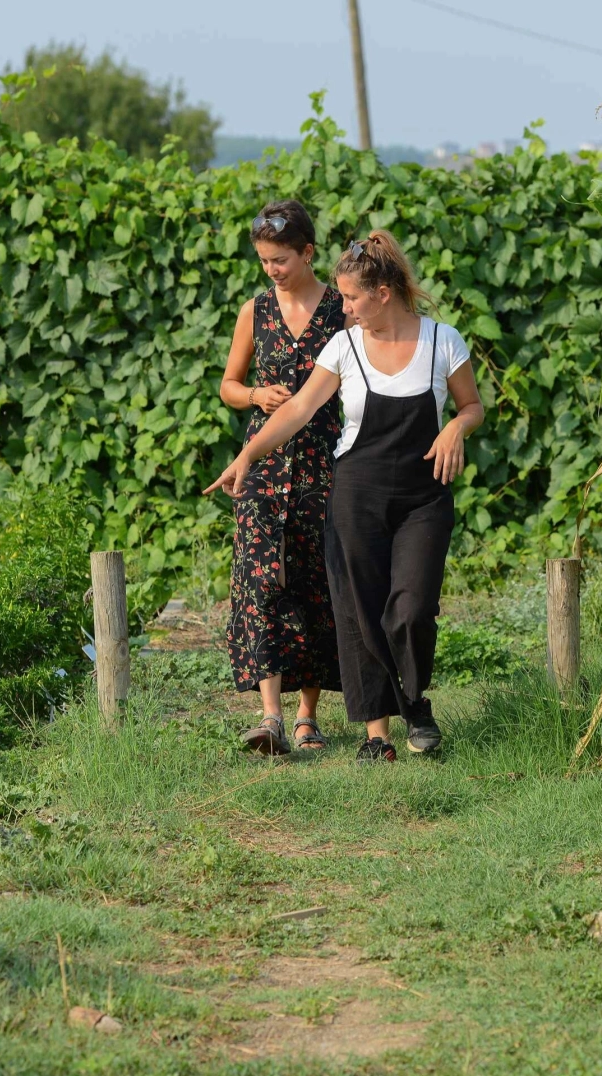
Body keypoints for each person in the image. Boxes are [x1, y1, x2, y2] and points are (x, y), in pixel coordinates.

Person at [206, 230, 483, 761]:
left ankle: (414, 699)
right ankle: (377, 736)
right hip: (356, 494)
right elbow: (296, 410)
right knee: (359, 611)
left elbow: (472, 406)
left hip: (424, 499)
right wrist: (248, 455)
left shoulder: (442, 340)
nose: (344, 307)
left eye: (352, 298)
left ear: (382, 293)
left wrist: (456, 429)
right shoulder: (345, 344)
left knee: (413, 609)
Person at [216, 200, 346, 755]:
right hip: (263, 467)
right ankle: (269, 716)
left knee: (317, 583)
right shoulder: (255, 311)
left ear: (308, 253)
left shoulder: (344, 309)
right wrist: (254, 395)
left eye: (281, 259)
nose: (272, 269)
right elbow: (228, 384)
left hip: (325, 463)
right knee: (262, 583)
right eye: (265, 260)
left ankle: (307, 716)